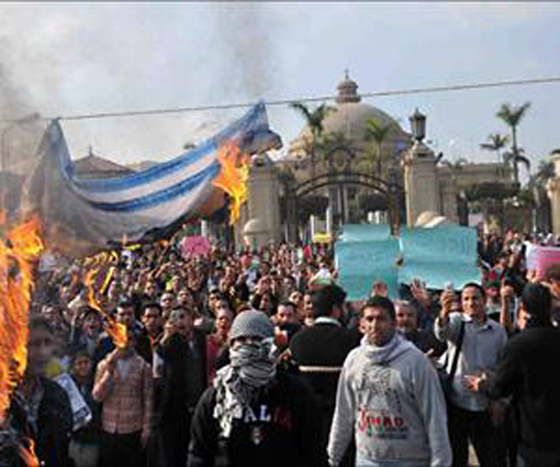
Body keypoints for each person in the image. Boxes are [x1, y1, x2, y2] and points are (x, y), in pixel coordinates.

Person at [188, 310, 327, 467]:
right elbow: (199, 455)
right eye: (241, 339)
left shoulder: (295, 392)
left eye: (256, 339)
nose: (248, 345)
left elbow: (314, 452)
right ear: (231, 345)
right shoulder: (216, 396)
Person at [328, 297, 452, 466]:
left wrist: (441, 462)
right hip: (366, 459)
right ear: (362, 324)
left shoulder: (416, 361)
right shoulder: (354, 359)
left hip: (410, 460)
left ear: (394, 323)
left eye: (381, 319)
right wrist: (332, 457)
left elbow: (435, 417)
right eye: (369, 319)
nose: (374, 325)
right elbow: (343, 413)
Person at [466, 283, 560, 466]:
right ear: (550, 307)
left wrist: (481, 384)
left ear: (523, 308)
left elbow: (500, 388)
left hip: (532, 436)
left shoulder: (519, 344)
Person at [434, 282, 508, 466]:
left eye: (475, 298)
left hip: (485, 405)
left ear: (484, 300)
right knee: (457, 457)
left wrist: (500, 400)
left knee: (490, 457)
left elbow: (504, 366)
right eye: (466, 299)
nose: (470, 303)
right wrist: (444, 311)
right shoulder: (457, 321)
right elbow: (442, 333)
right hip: (457, 403)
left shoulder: (497, 331)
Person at [289, 284, 361, 466]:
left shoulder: (297, 340)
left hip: (308, 425)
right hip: (345, 427)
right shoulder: (352, 339)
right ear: (336, 309)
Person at [154, 307, 207, 467]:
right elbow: (159, 354)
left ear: (191, 319)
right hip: (174, 409)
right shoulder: (169, 340)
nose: (180, 321)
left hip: (198, 405)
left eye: (183, 317)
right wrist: (167, 335)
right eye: (175, 318)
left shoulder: (202, 338)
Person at [92, 330, 153, 467]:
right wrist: (109, 372)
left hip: (133, 429)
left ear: (134, 342)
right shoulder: (104, 364)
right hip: (109, 427)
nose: (125, 343)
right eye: (121, 338)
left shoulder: (144, 366)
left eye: (129, 339)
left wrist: (146, 429)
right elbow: (97, 397)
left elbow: (148, 400)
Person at [20, 316, 74, 467]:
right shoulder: (4, 398)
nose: (43, 352)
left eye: (47, 343)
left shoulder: (58, 395)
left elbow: (61, 451)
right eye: (34, 344)